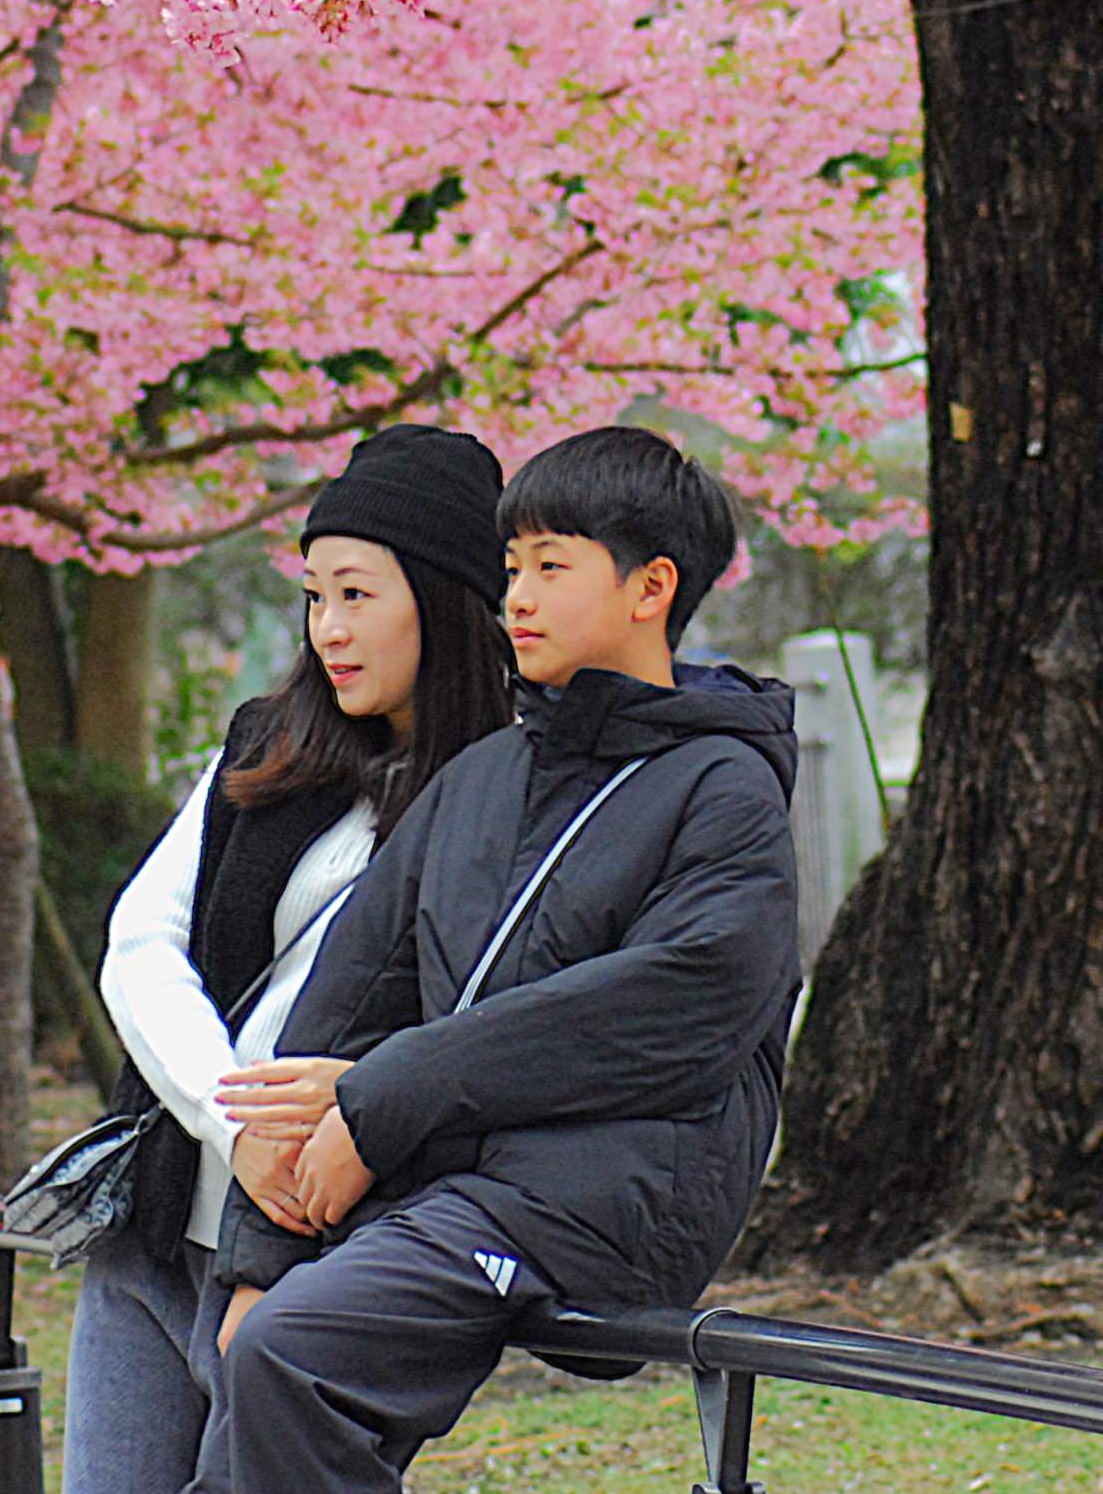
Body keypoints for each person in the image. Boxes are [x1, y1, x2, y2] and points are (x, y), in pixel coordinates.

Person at [198, 424, 800, 1494]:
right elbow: (349, 1001)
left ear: (651, 586)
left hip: (605, 1196)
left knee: (293, 1352)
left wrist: (383, 1098)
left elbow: (679, 1002)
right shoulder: (482, 775)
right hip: (452, 1179)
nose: (515, 597)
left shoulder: (724, 785)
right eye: (511, 567)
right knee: (255, 1351)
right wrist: (260, 1253)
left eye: (550, 567)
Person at [61, 424, 515, 1494]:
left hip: (324, 1260)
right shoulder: (272, 743)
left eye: (356, 594)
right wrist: (231, 1124)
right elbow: (142, 942)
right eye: (314, 596)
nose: (328, 629)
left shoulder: (511, 789)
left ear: (443, 598)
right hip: (162, 1221)